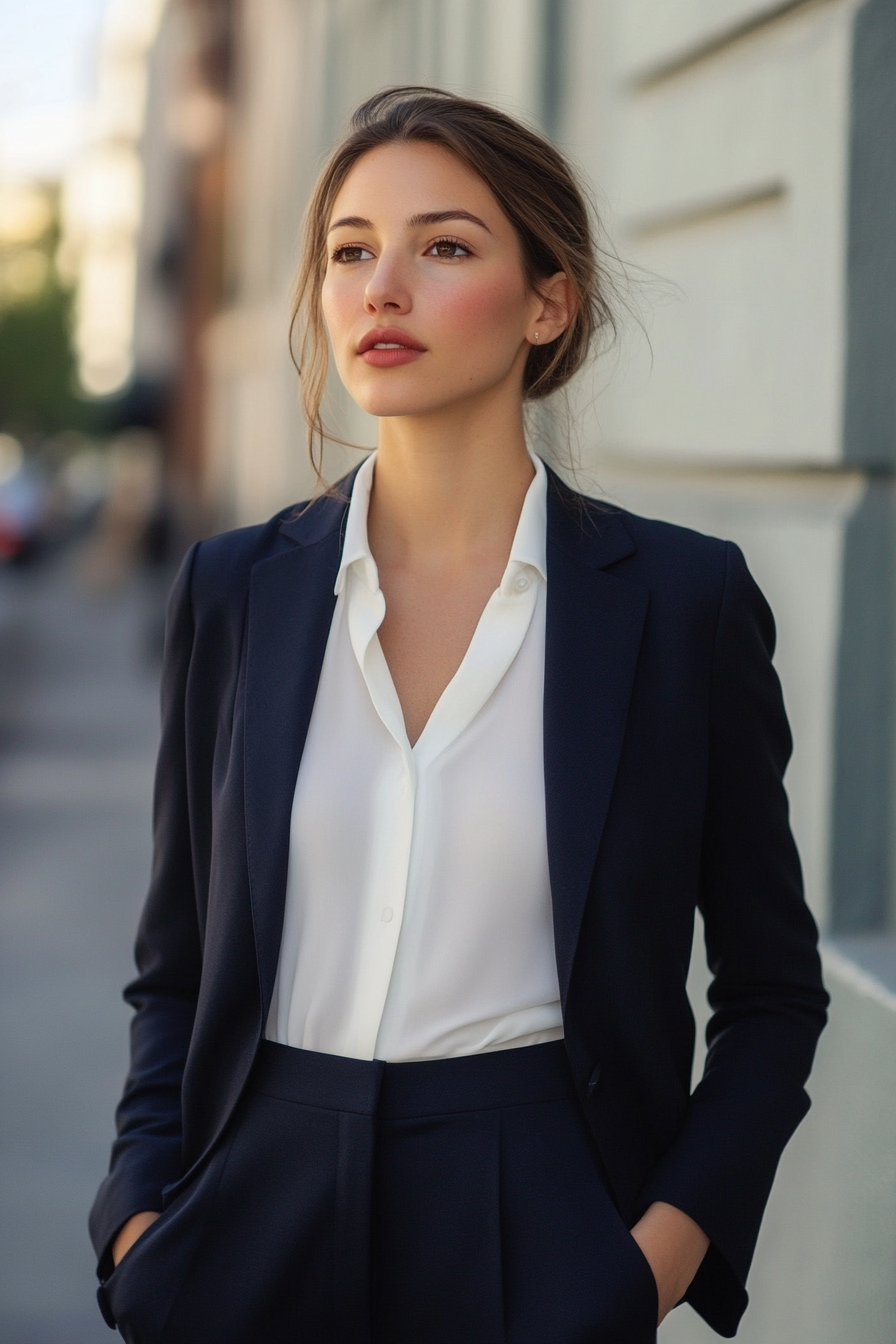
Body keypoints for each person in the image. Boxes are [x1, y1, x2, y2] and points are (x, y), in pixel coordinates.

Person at [90, 87, 828, 1344]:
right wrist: (136, 1221)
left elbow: (769, 995)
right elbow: (177, 965)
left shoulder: (677, 605)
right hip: (244, 1219)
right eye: (348, 251)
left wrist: (644, 1263)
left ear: (548, 302)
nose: (382, 288)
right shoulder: (233, 591)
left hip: (536, 1221)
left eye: (443, 247)